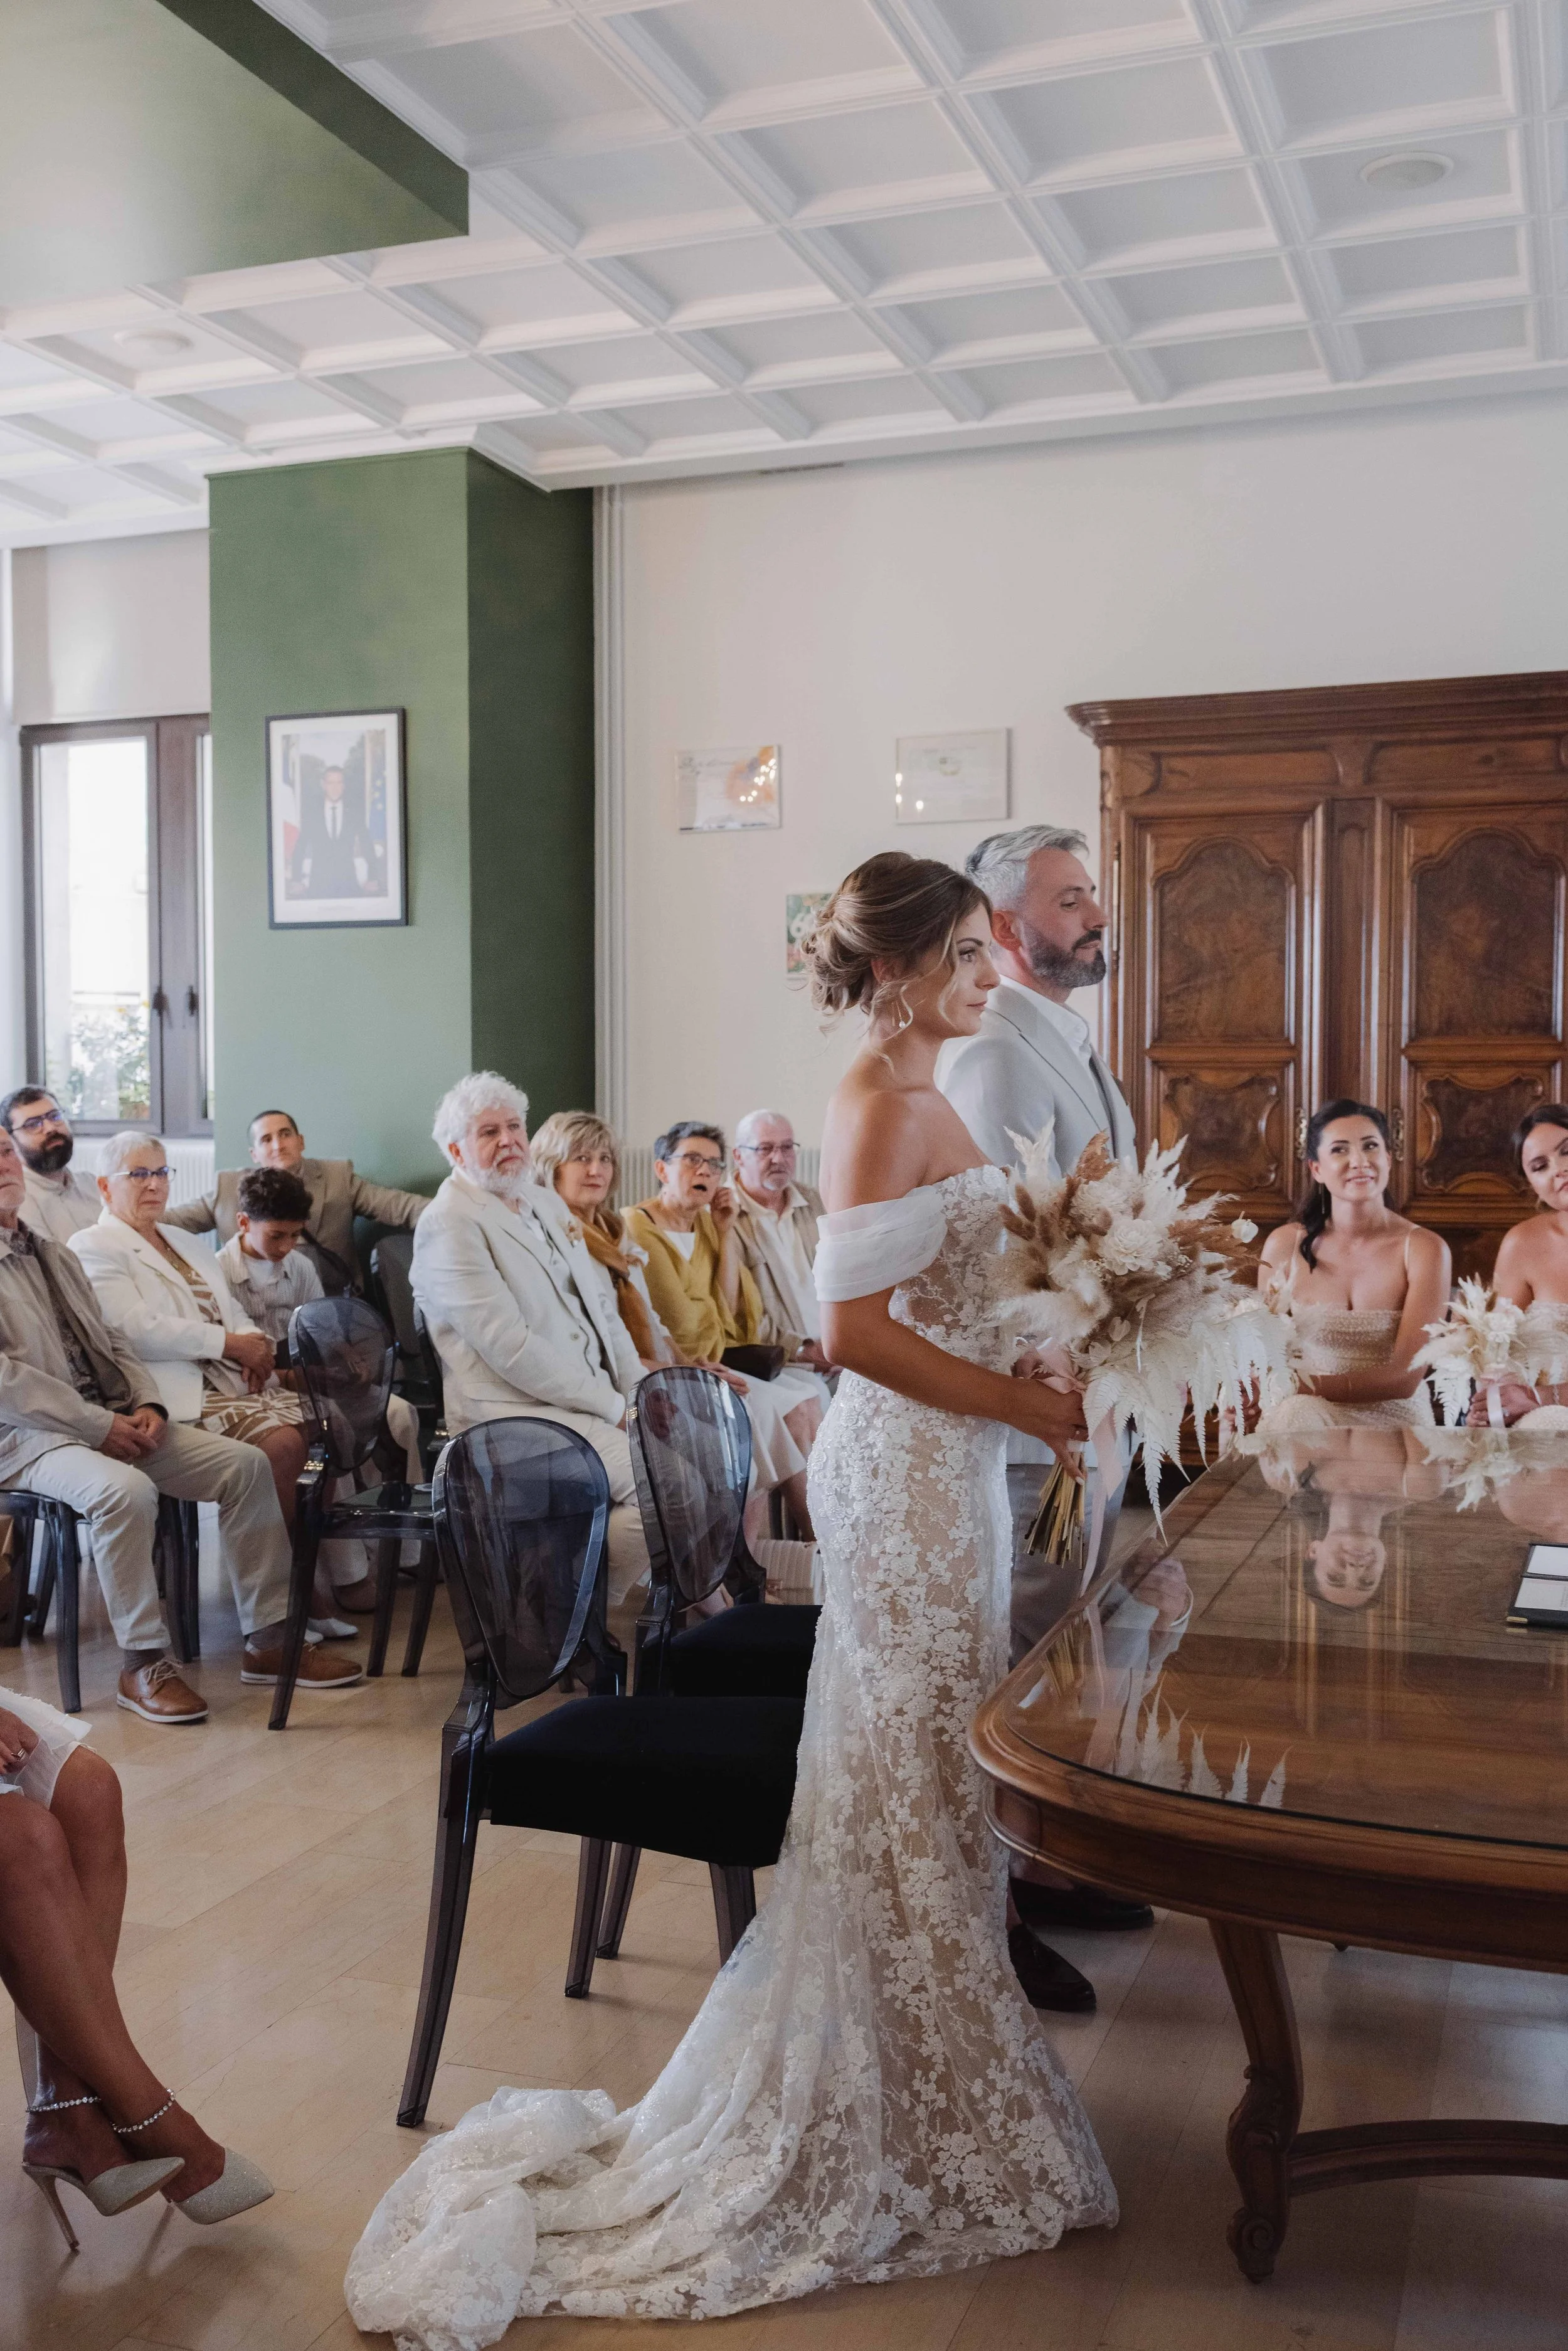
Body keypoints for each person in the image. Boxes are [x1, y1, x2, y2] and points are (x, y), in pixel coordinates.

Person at [346, 854, 1115, 2340]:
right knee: (902, 1768)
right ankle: (888, 2091)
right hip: (910, 1478)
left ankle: (937, 2065)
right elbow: (854, 1336)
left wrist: (1040, 1354)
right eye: (962, 953)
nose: (985, 972)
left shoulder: (936, 1084)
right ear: (894, 973)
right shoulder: (877, 1097)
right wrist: (1028, 1417)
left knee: (932, 1772)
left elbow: (938, 1295)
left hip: (951, 1470)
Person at [0, 1125, 359, 1722]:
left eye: (5, 1151)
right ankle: (142, 1663)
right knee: (127, 1490)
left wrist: (148, 1402)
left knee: (246, 1466)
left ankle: (268, 1639)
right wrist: (96, 1424)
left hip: (110, 1415)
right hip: (29, 1435)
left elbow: (111, 1337)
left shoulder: (47, 1249)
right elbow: (8, 1384)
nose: (5, 1163)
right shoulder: (80, 1244)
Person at [529, 1110, 819, 1551]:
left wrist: (692, 1364)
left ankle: (758, 1558)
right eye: (582, 1159)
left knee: (780, 1405)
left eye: (605, 1159)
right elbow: (672, 1324)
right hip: (619, 1387)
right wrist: (686, 1370)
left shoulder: (611, 1230)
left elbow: (705, 1314)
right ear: (661, 1168)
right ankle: (736, 1564)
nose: (596, 1170)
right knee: (749, 1414)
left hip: (675, 1362)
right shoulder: (602, 1232)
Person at [411, 1075, 650, 1603]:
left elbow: (604, 1312)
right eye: (489, 1132)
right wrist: (614, 1407)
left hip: (584, 1404)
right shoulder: (448, 1222)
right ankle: (570, 1615)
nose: (508, 1141)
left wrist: (637, 1396)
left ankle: (570, 1605)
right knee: (658, 1484)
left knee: (692, 1460)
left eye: (515, 1127)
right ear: (456, 1150)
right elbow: (511, 1348)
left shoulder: (543, 1203)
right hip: (511, 1420)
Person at [215, 1164, 426, 1613]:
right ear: (243, 1223)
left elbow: (315, 1339)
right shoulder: (219, 1274)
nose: (287, 1247)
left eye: (296, 1235)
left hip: (301, 1378)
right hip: (259, 1391)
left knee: (397, 1414)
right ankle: (348, 1573)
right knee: (336, 1429)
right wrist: (299, 1373)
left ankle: (405, 1549)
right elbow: (249, 1362)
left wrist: (346, 1360)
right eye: (277, 1237)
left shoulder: (301, 1266)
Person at [627, 1124, 824, 1541]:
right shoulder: (636, 1226)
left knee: (806, 1403)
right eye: (692, 1160)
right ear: (662, 1169)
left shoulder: (706, 1225)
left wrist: (726, 1230)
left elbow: (732, 1311)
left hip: (719, 1358)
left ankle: (808, 1545)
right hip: (679, 1366)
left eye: (715, 1164)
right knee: (777, 1412)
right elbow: (681, 1322)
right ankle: (794, 1548)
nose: (706, 1171)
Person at [936, 825, 1136, 1180]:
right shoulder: (993, 1051)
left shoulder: (1066, 1030)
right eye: (1071, 903)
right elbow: (1018, 1226)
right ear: (1006, 929)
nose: (1100, 918)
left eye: (1091, 896)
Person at [1257, 1100, 1449, 1431]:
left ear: (1388, 1159)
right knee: (1297, 1417)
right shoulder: (1284, 1246)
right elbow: (1264, 1355)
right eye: (1340, 1150)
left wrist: (1295, 1388)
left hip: (1396, 1416)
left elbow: (1405, 1379)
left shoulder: (1424, 1249)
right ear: (1316, 1169)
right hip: (1302, 1418)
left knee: (1297, 1412)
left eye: (1371, 1146)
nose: (1359, 1161)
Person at [165, 1107, 428, 1295]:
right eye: (266, 1140)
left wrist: (457, 1214)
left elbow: (399, 1207)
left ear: (300, 1142)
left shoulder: (337, 1178)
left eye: (285, 1134)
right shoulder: (229, 1188)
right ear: (254, 1154)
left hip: (331, 1304)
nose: (278, 1145)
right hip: (252, 1306)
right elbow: (174, 1221)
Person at [1465, 1105, 1568, 1428]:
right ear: (1532, 1185)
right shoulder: (1523, 1243)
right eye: (1540, 1166)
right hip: (1538, 1419)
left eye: (1567, 1152)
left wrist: (1541, 1398)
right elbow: (1496, 1351)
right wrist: (1495, 1406)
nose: (1558, 1170)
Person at [729, 1109, 832, 1374]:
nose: (778, 1158)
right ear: (738, 1156)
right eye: (765, 1149)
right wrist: (801, 1351)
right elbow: (739, 1310)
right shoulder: (722, 1218)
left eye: (787, 1148)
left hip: (839, 1350)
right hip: (782, 1361)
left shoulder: (814, 1202)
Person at [1, 1090, 102, 1245]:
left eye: (55, 1116)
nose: (50, 1128)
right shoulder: (16, 1201)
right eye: (33, 1125)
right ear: (11, 1141)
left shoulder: (92, 1184)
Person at [291, 765, 367, 899]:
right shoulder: (312, 812)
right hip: (318, 887)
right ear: (323, 785)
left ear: (344, 785)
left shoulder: (354, 811)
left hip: (348, 886)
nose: (335, 788)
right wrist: (296, 879)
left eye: (339, 783)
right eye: (331, 783)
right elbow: (300, 847)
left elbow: (367, 843)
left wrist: (373, 877)